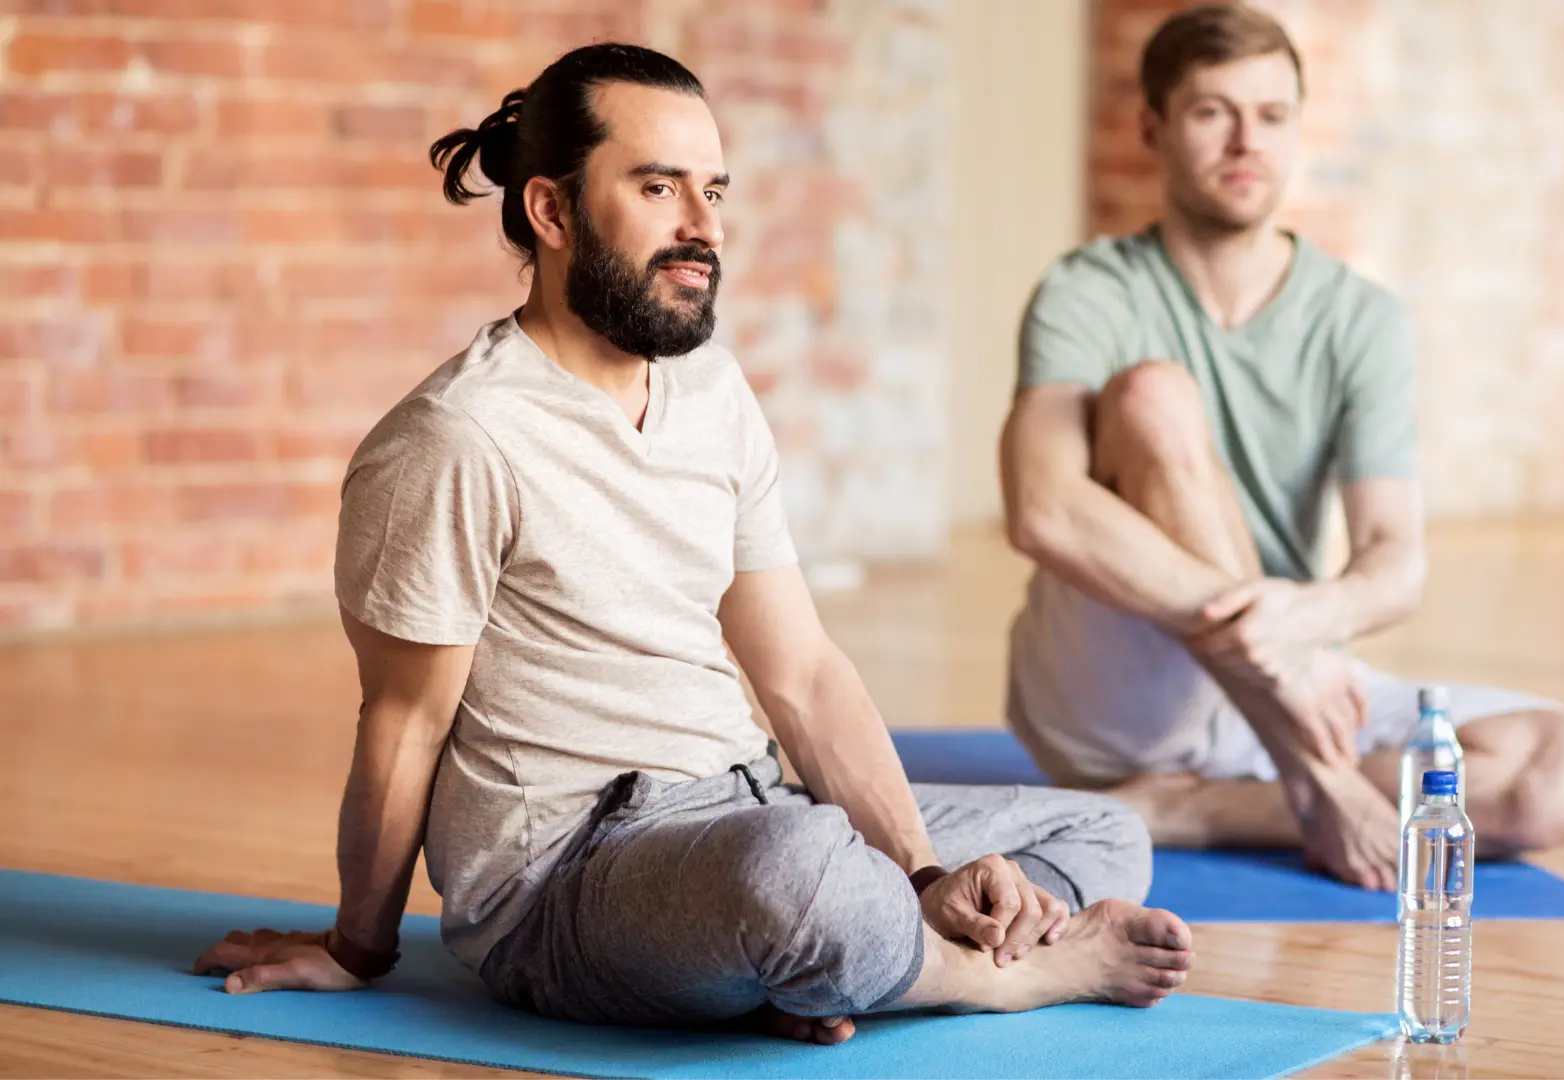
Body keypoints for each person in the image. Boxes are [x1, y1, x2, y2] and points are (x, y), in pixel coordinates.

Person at [190, 43, 1191, 1046]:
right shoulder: (457, 438)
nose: (703, 227)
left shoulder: (710, 388)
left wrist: (923, 874)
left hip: (748, 807)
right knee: (796, 877)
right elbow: (404, 723)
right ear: (551, 211)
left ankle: (842, 961)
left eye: (713, 189)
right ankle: (1014, 976)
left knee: (1100, 832)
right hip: (571, 882)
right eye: (659, 186)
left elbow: (798, 668)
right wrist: (357, 947)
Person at [998, 4, 1564, 892]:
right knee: (1152, 396)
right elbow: (1042, 508)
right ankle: (1316, 779)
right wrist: (1290, 671)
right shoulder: (1088, 288)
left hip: (1286, 671)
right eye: (1214, 112)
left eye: (1273, 115)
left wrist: (1306, 625)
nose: (1246, 141)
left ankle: (1187, 810)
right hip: (1123, 678)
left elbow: (1393, 563)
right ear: (1153, 128)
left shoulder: (1359, 316)